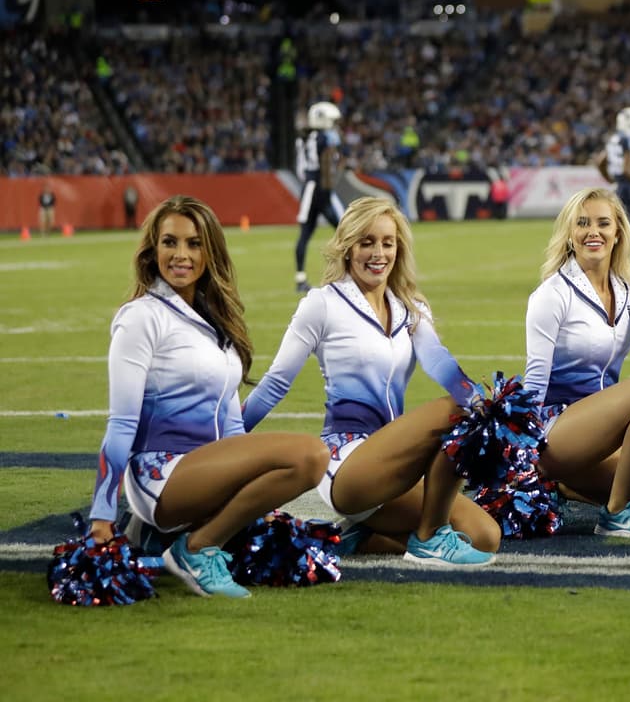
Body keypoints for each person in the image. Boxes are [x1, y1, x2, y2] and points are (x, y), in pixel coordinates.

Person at [86, 195, 330, 598]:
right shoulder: (141, 317)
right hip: (161, 476)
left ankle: (162, 538)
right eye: (170, 242)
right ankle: (196, 549)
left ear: (210, 251)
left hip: (210, 470)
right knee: (310, 455)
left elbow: (232, 423)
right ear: (153, 249)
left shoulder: (213, 320)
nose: (181, 255)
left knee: (295, 475)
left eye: (194, 244)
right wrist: (101, 514)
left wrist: (252, 495)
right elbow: (123, 422)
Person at [243, 197, 500, 567]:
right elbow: (275, 385)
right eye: (366, 242)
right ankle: (428, 539)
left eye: (387, 242)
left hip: (395, 465)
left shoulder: (410, 306)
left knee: (484, 536)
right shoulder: (322, 304)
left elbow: (439, 363)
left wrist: (486, 404)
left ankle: (357, 537)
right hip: (348, 465)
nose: (378, 253)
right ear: (347, 247)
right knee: (453, 411)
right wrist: (222, 442)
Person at [525, 186, 630, 539]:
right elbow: (535, 379)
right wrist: (517, 452)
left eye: (603, 223)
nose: (593, 232)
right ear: (570, 234)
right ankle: (615, 512)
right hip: (556, 433)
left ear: (618, 232)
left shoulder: (629, 287)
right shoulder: (551, 294)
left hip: (605, 434)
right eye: (583, 224)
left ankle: (571, 487)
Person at [295, 101, 345, 293]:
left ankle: (300, 278)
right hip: (322, 187)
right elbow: (330, 163)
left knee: (305, 234)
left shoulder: (302, 138)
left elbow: (301, 169)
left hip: (309, 188)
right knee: (346, 230)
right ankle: (349, 274)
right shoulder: (325, 138)